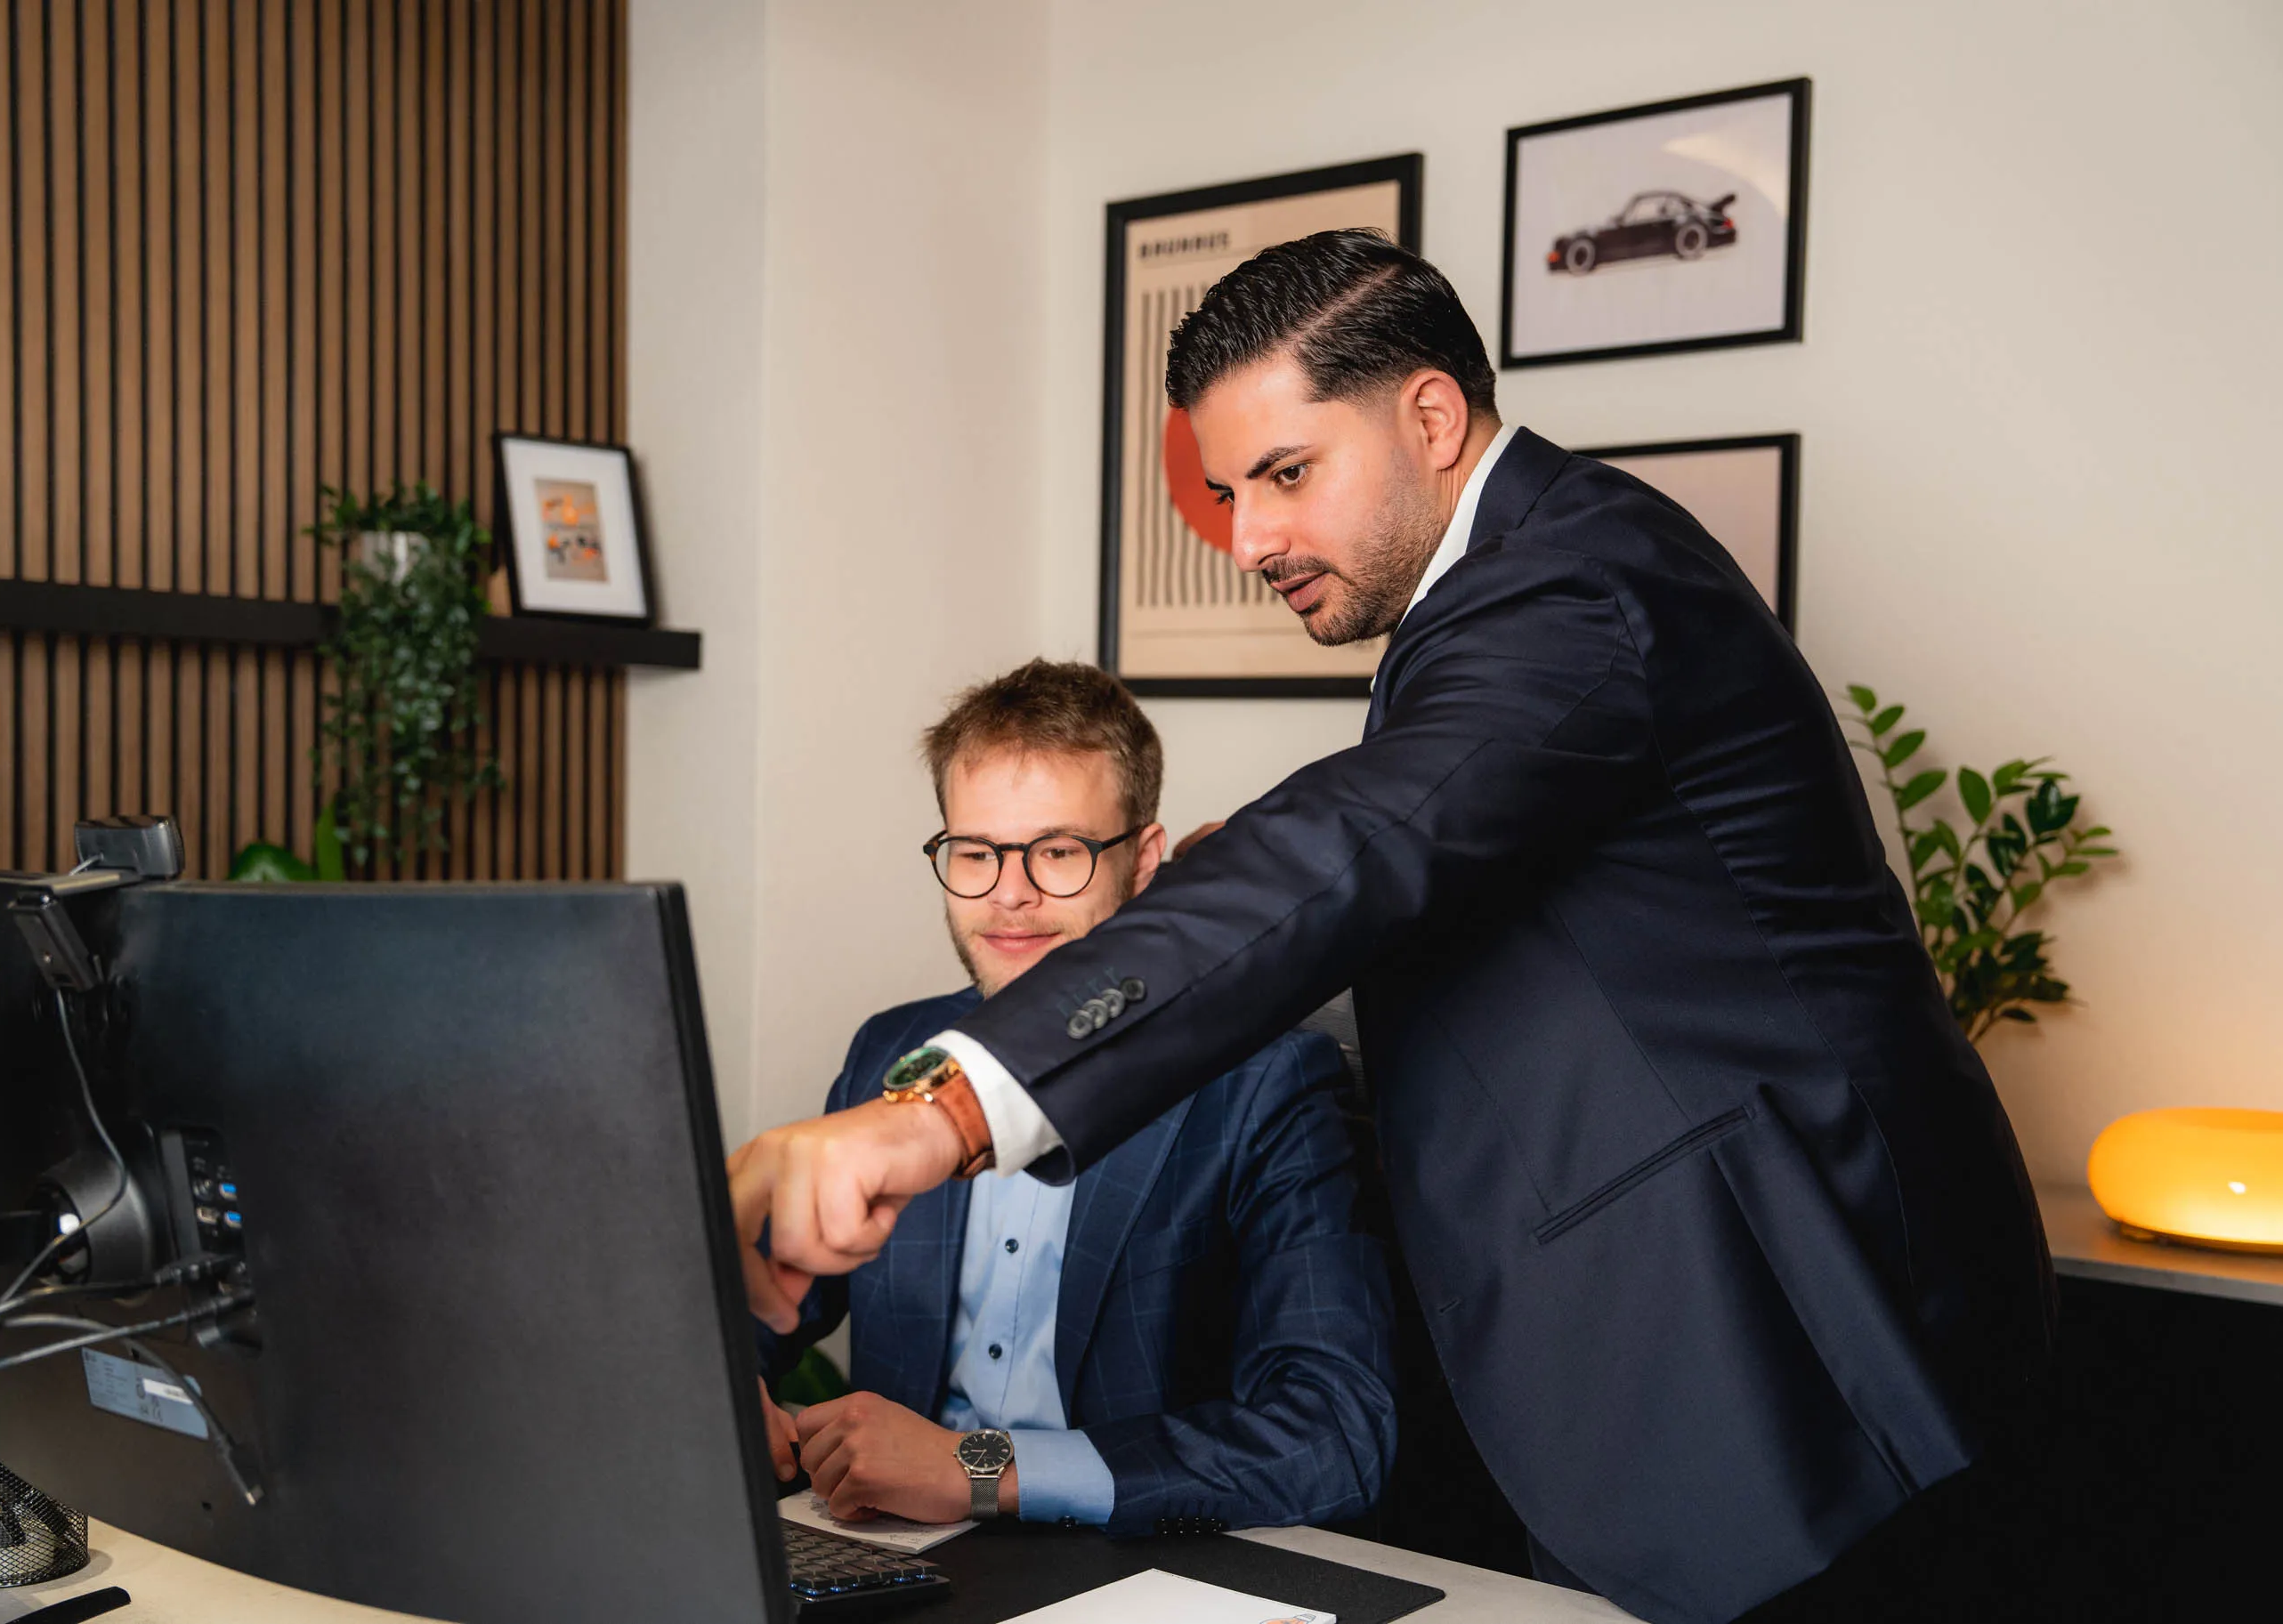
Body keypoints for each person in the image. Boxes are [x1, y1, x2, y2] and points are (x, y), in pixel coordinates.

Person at [727, 231, 2055, 1624]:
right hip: (1665, 1382)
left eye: (1287, 475)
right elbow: (1415, 858)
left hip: (1810, 1367)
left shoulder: (1574, 576)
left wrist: (935, 1115)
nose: (1248, 540)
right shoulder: (1506, 607)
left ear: (1428, 415)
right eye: (1228, 491)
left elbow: (1356, 845)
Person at [754, 659, 1395, 1537]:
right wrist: (725, 1387)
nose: (1007, 894)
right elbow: (751, 1308)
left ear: (1142, 862)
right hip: (894, 1560)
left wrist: (977, 1471)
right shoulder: (889, 1055)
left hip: (1129, 1572)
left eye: (1056, 852)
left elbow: (1335, 1437)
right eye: (974, 852)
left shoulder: (1263, 1082)